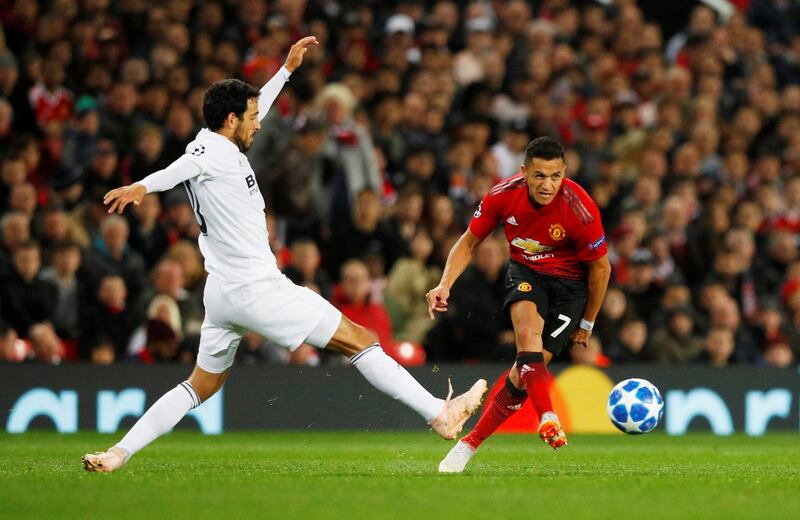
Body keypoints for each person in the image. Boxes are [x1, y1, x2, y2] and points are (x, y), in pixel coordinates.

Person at [82, 36, 486, 473]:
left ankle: (118, 452)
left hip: (223, 293)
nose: (259, 124)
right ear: (231, 119)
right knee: (360, 340)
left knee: (201, 384)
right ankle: (438, 414)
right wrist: (143, 186)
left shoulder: (223, 143)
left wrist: (286, 71)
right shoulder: (208, 152)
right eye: (252, 118)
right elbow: (181, 168)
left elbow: (250, 115)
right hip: (257, 288)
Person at [429, 136, 611, 473]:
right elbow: (468, 243)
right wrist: (444, 284)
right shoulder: (502, 195)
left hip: (570, 289)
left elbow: (601, 269)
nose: (548, 185)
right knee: (527, 339)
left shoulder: (580, 209)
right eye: (540, 176)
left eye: (555, 176)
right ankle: (548, 417)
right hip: (525, 271)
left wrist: (586, 323)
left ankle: (468, 445)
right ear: (524, 172)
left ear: (565, 172)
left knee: (524, 371)